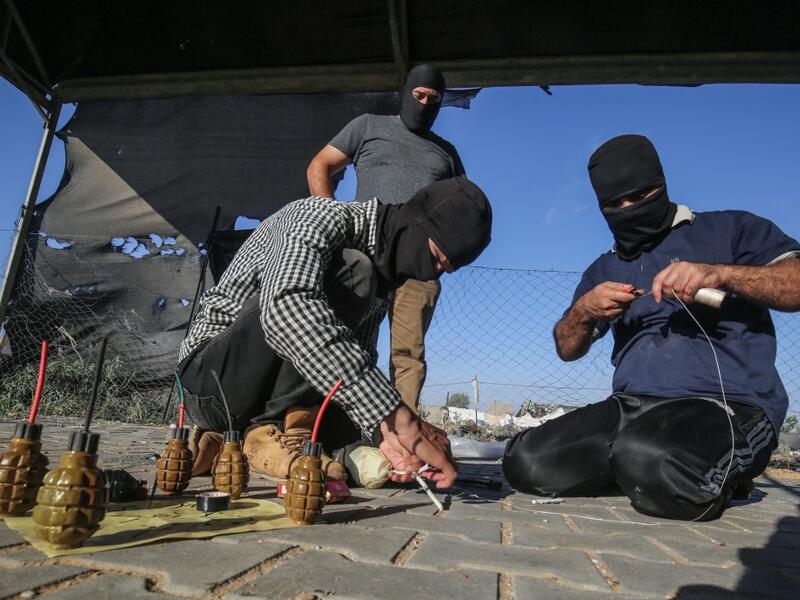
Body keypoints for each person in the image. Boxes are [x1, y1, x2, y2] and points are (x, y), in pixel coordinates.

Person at [503, 134, 800, 520]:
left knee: (650, 456)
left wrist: (718, 273)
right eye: (615, 204)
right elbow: (567, 348)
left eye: (641, 195)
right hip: (631, 409)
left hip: (729, 407)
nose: (629, 209)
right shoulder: (603, 269)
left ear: (661, 185)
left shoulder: (731, 228)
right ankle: (642, 468)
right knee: (525, 460)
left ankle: (700, 470)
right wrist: (582, 312)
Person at [177, 176, 492, 487]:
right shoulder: (316, 217)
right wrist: (398, 418)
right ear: (415, 221)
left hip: (260, 399)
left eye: (444, 271)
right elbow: (285, 310)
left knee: (359, 431)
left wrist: (389, 438)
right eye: (435, 257)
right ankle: (272, 430)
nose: (431, 272)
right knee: (355, 271)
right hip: (208, 383)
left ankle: (231, 443)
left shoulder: (383, 280)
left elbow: (352, 367)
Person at [307, 64, 465, 412]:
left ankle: (402, 441)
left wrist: (447, 253)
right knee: (346, 341)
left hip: (418, 267)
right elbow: (320, 165)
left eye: (434, 99)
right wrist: (329, 218)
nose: (425, 103)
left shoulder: (446, 152)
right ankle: (336, 427)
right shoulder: (368, 126)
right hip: (364, 254)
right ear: (405, 92)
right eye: (419, 95)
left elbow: (461, 208)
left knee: (409, 355)